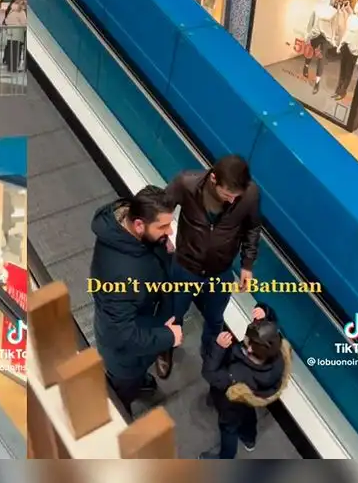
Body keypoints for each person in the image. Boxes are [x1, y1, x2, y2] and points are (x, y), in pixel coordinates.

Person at [156, 155, 262, 379]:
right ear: (213, 179)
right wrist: (162, 237)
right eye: (227, 195)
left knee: (215, 319)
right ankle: (166, 346)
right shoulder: (186, 183)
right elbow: (159, 209)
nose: (232, 201)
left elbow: (252, 228)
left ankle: (212, 355)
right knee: (173, 314)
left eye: (237, 197)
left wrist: (247, 264)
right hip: (186, 266)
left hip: (221, 271)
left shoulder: (250, 194)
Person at [90, 186, 182, 417]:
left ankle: (139, 381)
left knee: (137, 372)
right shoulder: (120, 277)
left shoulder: (132, 233)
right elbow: (121, 335)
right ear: (139, 224)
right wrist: (168, 337)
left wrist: (161, 247)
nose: (170, 231)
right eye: (163, 227)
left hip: (147, 320)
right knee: (125, 386)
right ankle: (122, 409)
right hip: (126, 353)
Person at [200, 304, 289, 459]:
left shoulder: (237, 373)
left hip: (231, 402)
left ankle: (226, 457)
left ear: (249, 350)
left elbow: (209, 373)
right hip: (253, 394)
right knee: (247, 413)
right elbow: (272, 329)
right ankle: (249, 439)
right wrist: (266, 313)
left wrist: (218, 347)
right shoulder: (276, 357)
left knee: (228, 428)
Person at [2, 0, 27, 73]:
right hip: (18, 33)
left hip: (10, 33)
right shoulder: (21, 12)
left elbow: (6, 20)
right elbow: (24, 23)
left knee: (11, 50)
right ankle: (14, 68)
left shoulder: (11, 10)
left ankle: (10, 67)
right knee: (16, 51)